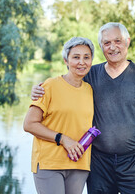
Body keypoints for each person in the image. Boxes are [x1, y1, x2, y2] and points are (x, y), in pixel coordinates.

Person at [31, 22, 135, 194]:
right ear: (101, 47)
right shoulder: (89, 74)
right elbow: (65, 83)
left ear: (127, 42)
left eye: (118, 41)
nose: (113, 47)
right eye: (107, 43)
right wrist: (37, 89)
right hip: (98, 162)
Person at [23, 37, 95, 194]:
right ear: (66, 60)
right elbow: (29, 124)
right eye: (76, 57)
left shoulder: (91, 90)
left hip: (79, 164)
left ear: (91, 61)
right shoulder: (49, 86)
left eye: (86, 57)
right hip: (50, 163)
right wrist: (63, 139)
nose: (81, 62)